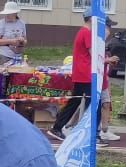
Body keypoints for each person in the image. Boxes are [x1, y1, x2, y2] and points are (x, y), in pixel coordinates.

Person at [47, 15, 114, 145]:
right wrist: (108, 60)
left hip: (80, 73)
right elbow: (94, 55)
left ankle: (57, 127)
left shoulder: (82, 32)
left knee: (75, 102)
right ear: (91, 19)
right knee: (95, 104)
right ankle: (93, 135)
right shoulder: (87, 33)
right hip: (86, 74)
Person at [0, 1, 26, 66]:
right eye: (6, 13)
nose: (6, 15)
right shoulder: (1, 23)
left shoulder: (22, 23)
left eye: (9, 13)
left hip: (17, 57)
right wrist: (11, 41)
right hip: (4, 56)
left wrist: (22, 41)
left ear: (15, 13)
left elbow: (25, 40)